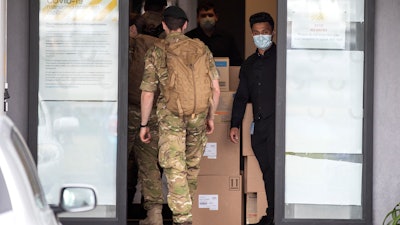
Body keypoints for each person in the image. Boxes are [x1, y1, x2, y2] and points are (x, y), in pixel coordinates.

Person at [139, 6, 220, 225]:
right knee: (191, 167)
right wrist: (210, 117)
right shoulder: (201, 48)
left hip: (171, 118)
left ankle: (183, 219)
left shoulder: (157, 50)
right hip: (199, 116)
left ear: (164, 25)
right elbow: (216, 89)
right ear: (185, 26)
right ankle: (184, 213)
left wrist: (144, 125)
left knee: (175, 168)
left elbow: (148, 93)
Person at [229, 12, 276, 225]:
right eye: (256, 33)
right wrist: (235, 125)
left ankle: (279, 215)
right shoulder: (248, 64)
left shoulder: (283, 59)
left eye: (264, 32)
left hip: (279, 123)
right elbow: (241, 96)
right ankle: (273, 213)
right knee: (267, 171)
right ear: (252, 34)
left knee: (278, 171)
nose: (261, 36)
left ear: (272, 32)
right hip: (259, 126)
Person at [128, 12, 164, 225]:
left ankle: (110, 207)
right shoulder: (162, 47)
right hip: (154, 112)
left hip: (130, 110)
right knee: (150, 164)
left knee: (118, 160)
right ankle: (155, 214)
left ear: (134, 29)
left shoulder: (131, 45)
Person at [185, 1, 243, 66]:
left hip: (223, 75)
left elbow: (237, 63)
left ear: (216, 17)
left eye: (210, 15)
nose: (207, 18)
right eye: (203, 16)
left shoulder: (227, 38)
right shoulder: (189, 38)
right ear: (198, 18)